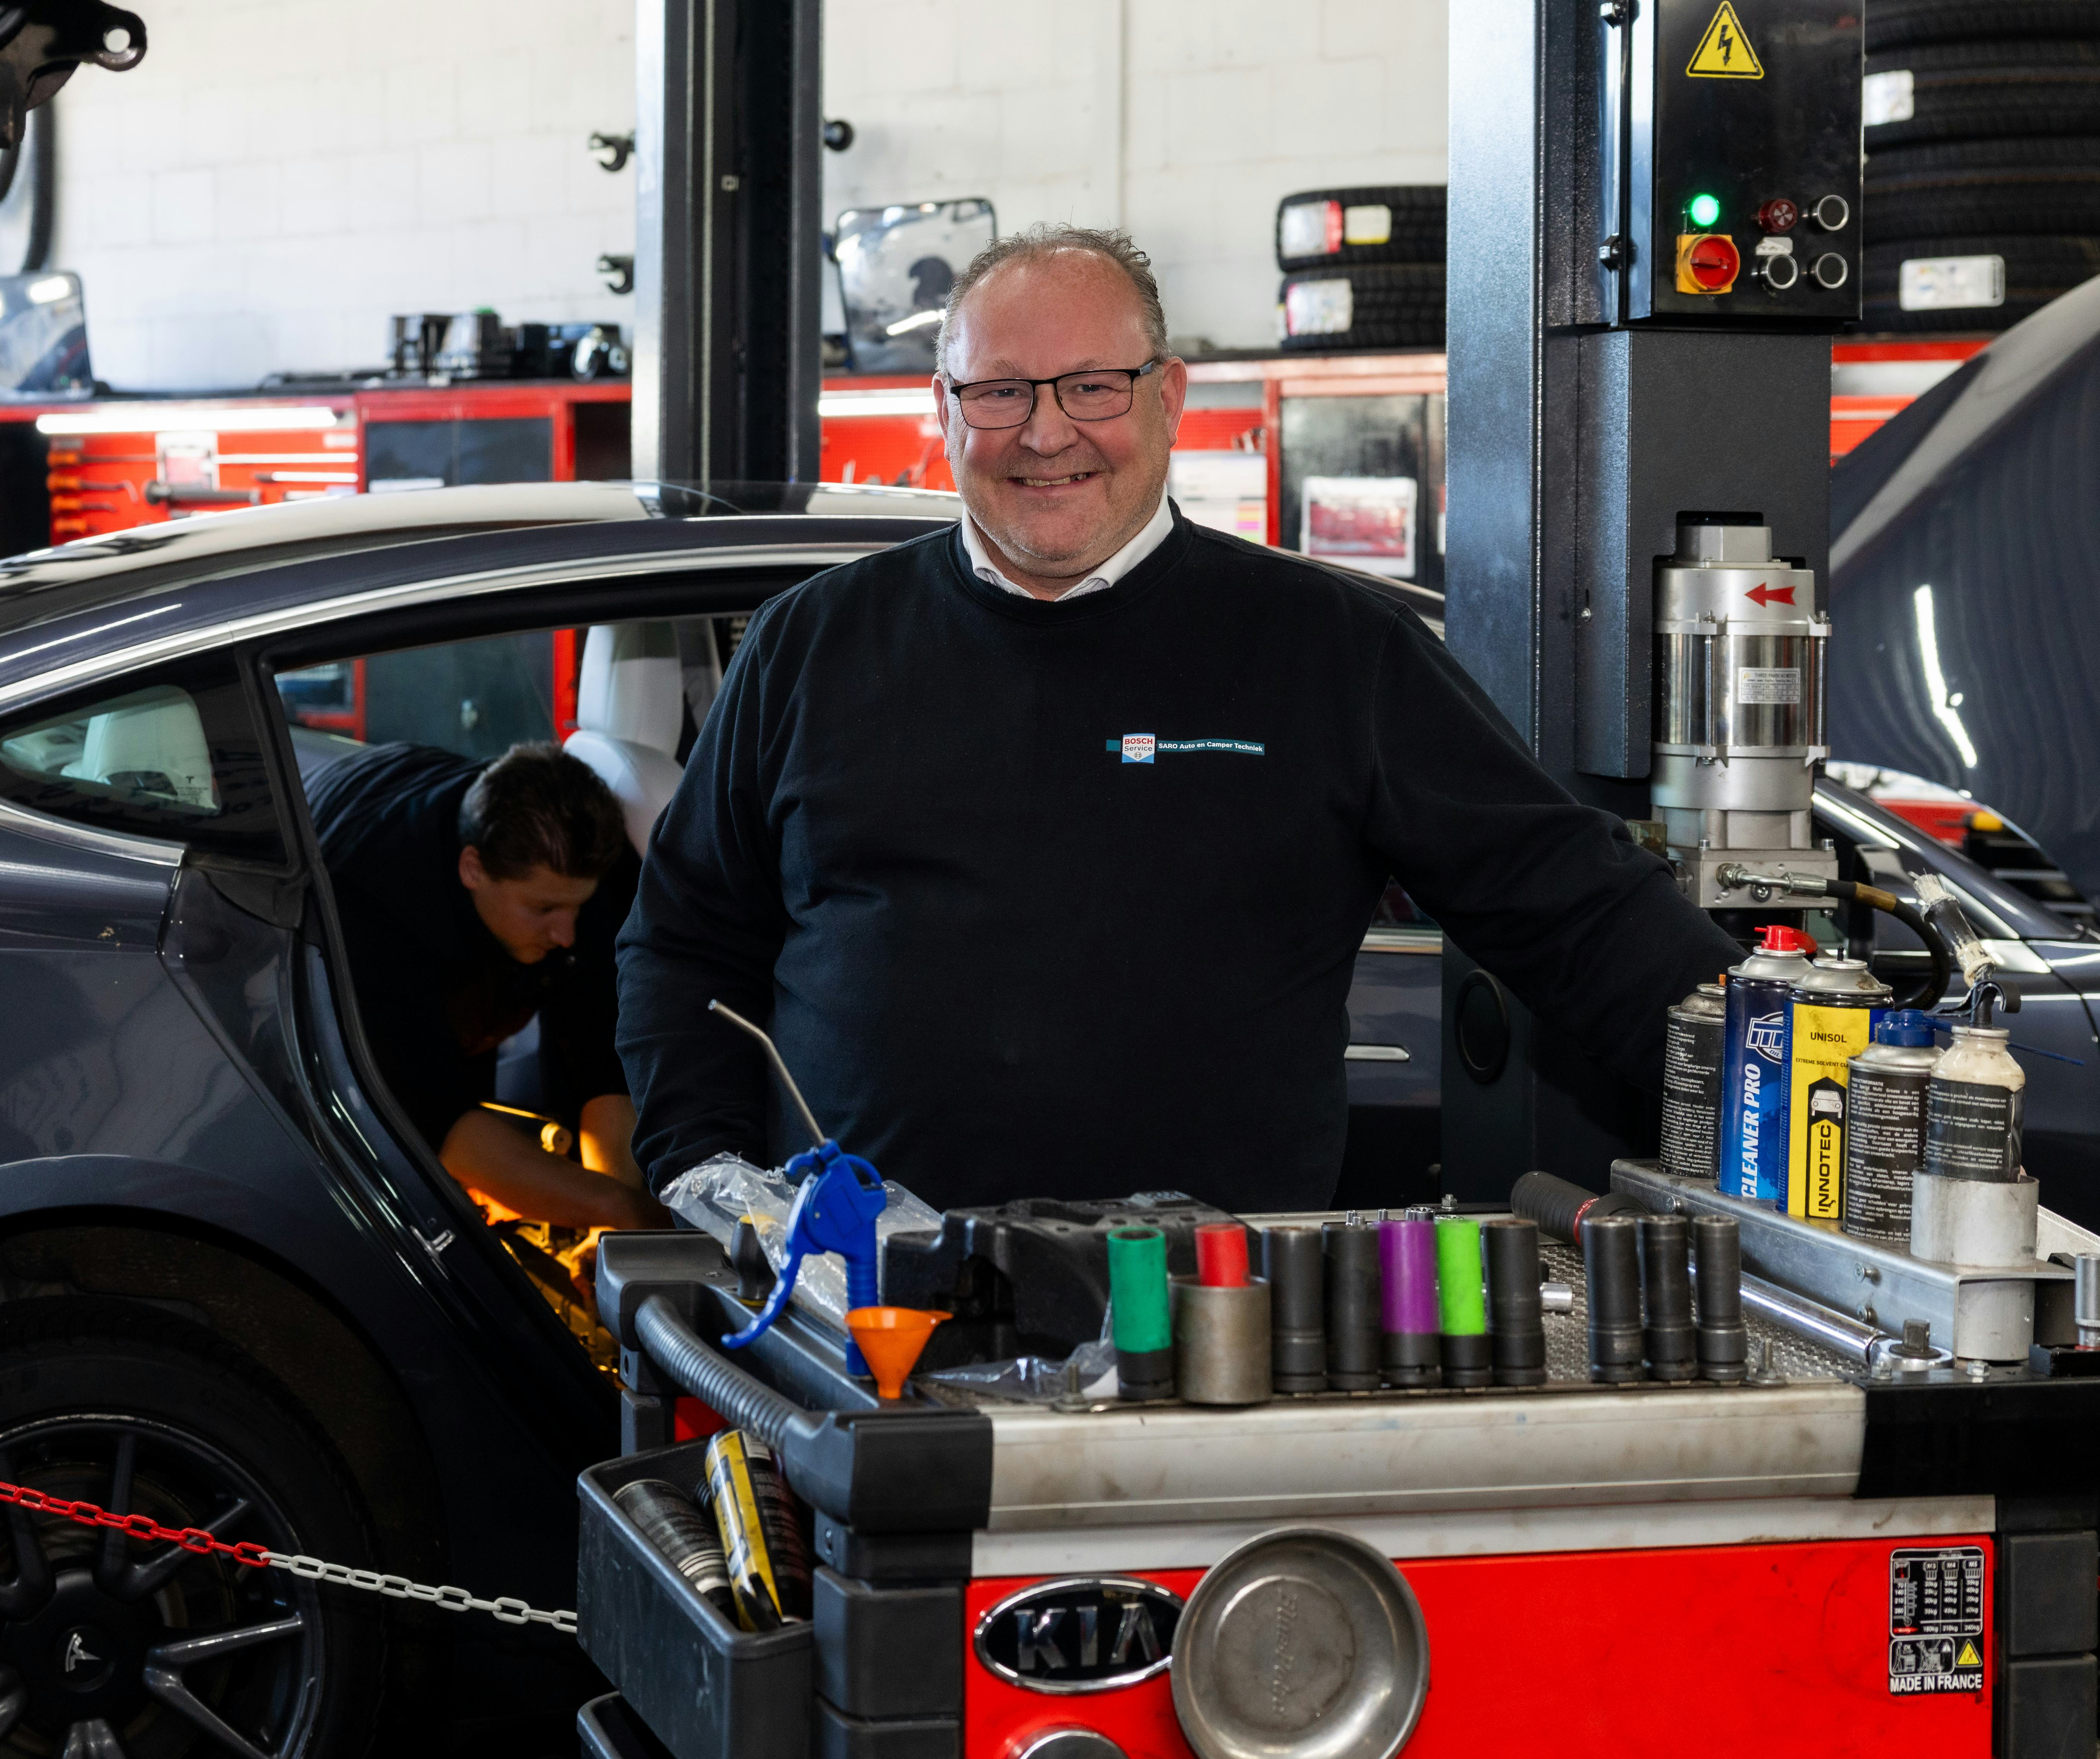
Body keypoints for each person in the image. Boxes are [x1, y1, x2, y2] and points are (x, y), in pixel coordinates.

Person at [616, 224, 1745, 1214]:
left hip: (1212, 1344)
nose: (1044, 433)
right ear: (944, 411)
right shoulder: (814, 642)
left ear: (1166, 398)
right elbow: (685, 935)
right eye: (1000, 391)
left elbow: (1572, 907)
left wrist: (1772, 1089)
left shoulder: (1330, 650)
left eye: (1092, 386)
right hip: (860, 1315)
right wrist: (702, 1172)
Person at [308, 739, 672, 1230]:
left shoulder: (571, 855)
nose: (567, 933)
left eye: (578, 908)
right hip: (321, 912)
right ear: (473, 869)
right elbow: (434, 1117)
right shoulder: (371, 912)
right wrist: (619, 1211)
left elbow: (602, 1056)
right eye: (544, 909)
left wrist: (614, 1228)